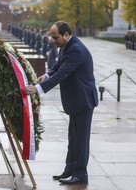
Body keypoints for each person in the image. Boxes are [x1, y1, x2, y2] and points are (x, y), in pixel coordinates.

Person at [24, 21, 98, 185]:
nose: (53, 40)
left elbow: (63, 73)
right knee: (73, 137)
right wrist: (47, 75)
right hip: (76, 99)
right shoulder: (67, 45)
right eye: (51, 37)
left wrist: (38, 88)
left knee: (80, 139)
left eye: (55, 37)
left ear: (65, 34)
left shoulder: (76, 50)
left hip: (83, 100)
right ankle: (69, 169)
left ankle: (80, 175)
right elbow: (57, 67)